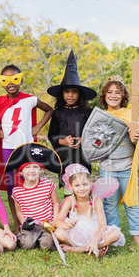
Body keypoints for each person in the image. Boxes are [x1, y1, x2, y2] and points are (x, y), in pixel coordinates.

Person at [0, 65, 53, 233]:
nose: (11, 83)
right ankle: (17, 225)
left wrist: (38, 126)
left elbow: (49, 109)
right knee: (12, 187)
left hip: (26, 150)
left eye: (15, 79)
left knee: (30, 183)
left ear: (21, 80)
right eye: (6, 80)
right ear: (2, 83)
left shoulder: (30, 99)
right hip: (8, 150)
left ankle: (34, 218)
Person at [98, 75, 139, 247]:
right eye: (109, 92)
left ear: (123, 96)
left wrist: (135, 138)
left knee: (131, 200)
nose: (113, 95)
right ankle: (114, 234)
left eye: (118, 92)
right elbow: (96, 142)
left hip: (126, 166)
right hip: (107, 166)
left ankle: (135, 235)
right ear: (104, 96)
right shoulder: (100, 116)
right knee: (109, 202)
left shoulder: (130, 114)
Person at [47, 50, 97, 193]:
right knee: (68, 190)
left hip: (82, 157)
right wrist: (62, 141)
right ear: (62, 94)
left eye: (74, 92)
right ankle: (68, 213)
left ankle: (84, 213)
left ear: (79, 94)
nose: (70, 95)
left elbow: (95, 133)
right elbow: (52, 134)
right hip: (64, 157)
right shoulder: (58, 113)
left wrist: (85, 139)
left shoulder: (88, 112)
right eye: (67, 91)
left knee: (83, 190)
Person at [54, 164, 125, 256]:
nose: (82, 189)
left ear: (90, 183)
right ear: (71, 187)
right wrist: (67, 225)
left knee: (115, 234)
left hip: (95, 233)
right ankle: (87, 248)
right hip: (76, 233)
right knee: (59, 233)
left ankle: (86, 247)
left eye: (85, 184)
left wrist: (95, 241)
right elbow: (57, 221)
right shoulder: (69, 201)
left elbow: (102, 225)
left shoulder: (96, 200)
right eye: (77, 185)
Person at [4, 142, 62, 251]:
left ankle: (45, 239)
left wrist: (55, 220)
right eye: (27, 167)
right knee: (27, 245)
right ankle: (29, 238)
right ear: (20, 171)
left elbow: (56, 203)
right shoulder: (17, 191)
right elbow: (19, 212)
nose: (32, 171)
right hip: (29, 226)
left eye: (36, 167)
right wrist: (23, 222)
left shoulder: (48, 185)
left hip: (46, 224)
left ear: (42, 170)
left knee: (47, 245)